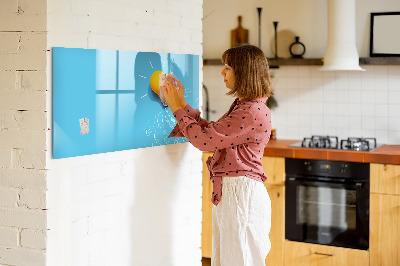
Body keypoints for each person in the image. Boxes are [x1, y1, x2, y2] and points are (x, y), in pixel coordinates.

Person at [162, 44, 273, 266]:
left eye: (228, 67)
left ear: (244, 72)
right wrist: (182, 103)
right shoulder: (246, 106)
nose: (222, 72)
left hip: (241, 195)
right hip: (236, 193)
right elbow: (212, 133)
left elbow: (204, 141)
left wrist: (176, 107)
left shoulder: (250, 111)